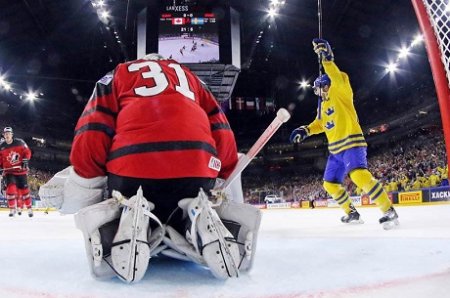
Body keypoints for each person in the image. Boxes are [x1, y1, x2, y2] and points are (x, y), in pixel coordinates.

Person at [39, 53, 261, 283]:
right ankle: (195, 217)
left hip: (134, 173)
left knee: (116, 191)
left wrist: (85, 182)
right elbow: (221, 127)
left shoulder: (118, 73)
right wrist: (222, 176)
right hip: (197, 172)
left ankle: (131, 218)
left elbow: (93, 128)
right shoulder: (193, 79)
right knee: (186, 202)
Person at [289, 39, 399, 228]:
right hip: (335, 151)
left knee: (358, 176)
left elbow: (335, 76)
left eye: (318, 89)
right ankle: (352, 213)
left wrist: (327, 59)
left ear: (326, 85)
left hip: (351, 143)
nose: (317, 93)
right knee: (329, 184)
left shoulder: (340, 90)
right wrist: (306, 130)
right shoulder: (323, 105)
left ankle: (389, 211)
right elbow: (320, 124)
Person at [0, 127, 33, 217]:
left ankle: (29, 208)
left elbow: (27, 152)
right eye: (5, 133)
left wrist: (25, 159)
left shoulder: (20, 142)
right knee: (10, 189)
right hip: (9, 172)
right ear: (3, 135)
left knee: (24, 191)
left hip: (21, 171)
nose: (7, 135)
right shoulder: (1, 146)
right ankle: (12, 209)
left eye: (8, 133)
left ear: (12, 134)